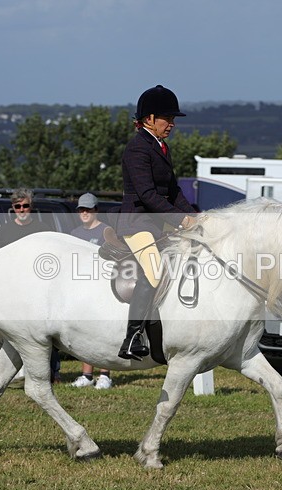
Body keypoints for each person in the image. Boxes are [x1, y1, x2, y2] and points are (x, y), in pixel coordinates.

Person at [115, 84, 197, 360]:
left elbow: (172, 191)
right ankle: (132, 337)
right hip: (136, 224)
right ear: (149, 119)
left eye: (173, 120)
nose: (172, 124)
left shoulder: (162, 147)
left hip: (156, 224)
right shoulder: (137, 148)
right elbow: (148, 195)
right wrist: (179, 219)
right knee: (154, 271)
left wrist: (195, 217)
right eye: (167, 118)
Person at [0, 188, 61, 384]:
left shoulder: (43, 228)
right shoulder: (5, 231)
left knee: (46, 331)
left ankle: (53, 371)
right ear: (13, 208)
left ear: (31, 207)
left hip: (39, 289)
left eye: (25, 206)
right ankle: (16, 372)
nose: (22, 210)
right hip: (12, 289)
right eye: (18, 206)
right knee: (15, 332)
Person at [68, 193, 113, 389]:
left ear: (96, 210)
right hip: (81, 290)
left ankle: (105, 375)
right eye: (81, 209)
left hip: (103, 289)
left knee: (103, 332)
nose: (84, 212)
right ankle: (86, 376)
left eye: (88, 209)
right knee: (86, 332)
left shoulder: (107, 232)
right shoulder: (74, 234)